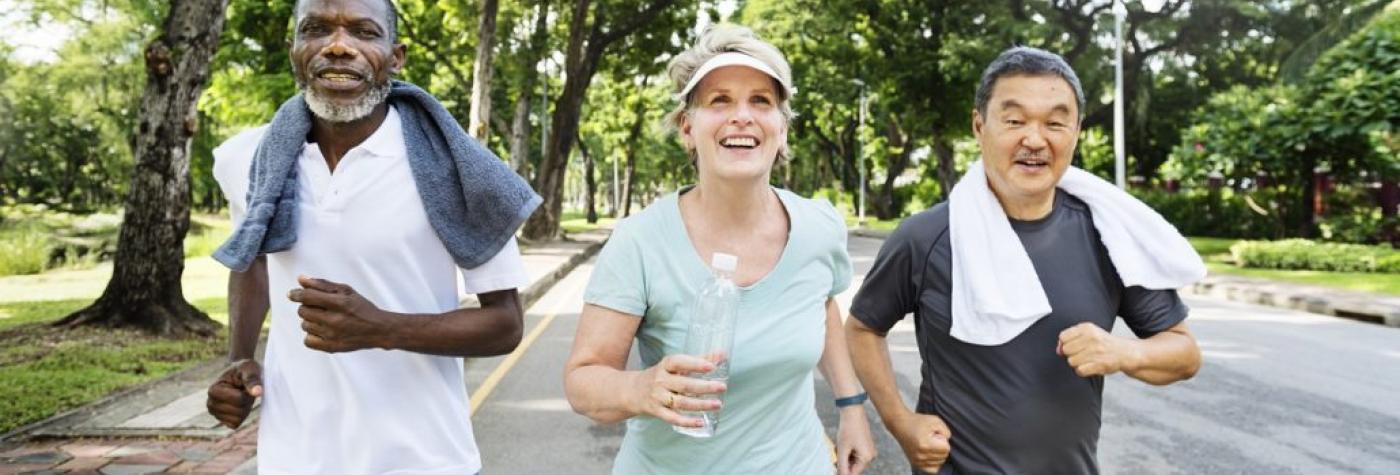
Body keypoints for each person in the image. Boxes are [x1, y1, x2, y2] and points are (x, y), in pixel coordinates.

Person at [202, 0, 541, 473]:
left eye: (363, 31)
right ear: (294, 49)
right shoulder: (248, 157)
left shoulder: (460, 170)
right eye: (317, 29)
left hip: (424, 459)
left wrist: (381, 327)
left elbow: (506, 325)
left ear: (396, 56)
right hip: (292, 458)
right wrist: (238, 360)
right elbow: (252, 260)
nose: (339, 46)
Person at [845, 46, 1203, 474]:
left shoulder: (1108, 236)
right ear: (980, 125)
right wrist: (901, 423)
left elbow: (1184, 354)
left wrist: (1122, 352)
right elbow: (863, 327)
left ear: (1076, 131)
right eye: (1014, 121)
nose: (1034, 139)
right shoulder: (926, 238)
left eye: (1055, 123)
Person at [562, 25, 877, 474]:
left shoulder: (818, 227)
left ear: (782, 130)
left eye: (761, 101)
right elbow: (582, 381)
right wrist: (642, 389)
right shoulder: (641, 240)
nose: (742, 116)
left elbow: (820, 304)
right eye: (720, 100)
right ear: (688, 129)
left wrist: (852, 408)